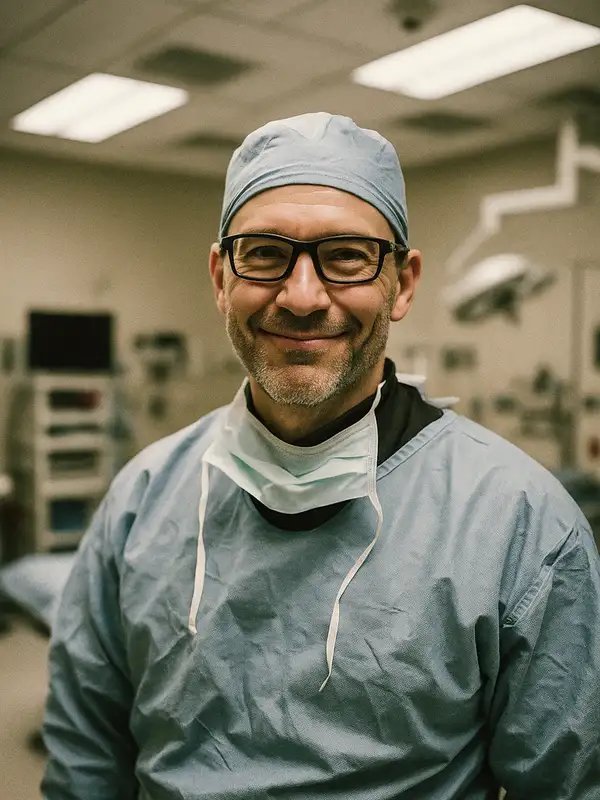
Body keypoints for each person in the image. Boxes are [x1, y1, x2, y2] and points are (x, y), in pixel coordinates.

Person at [42, 113, 600, 800]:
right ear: (221, 277)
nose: (302, 296)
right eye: (264, 254)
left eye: (346, 256)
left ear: (403, 281)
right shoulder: (142, 501)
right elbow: (85, 761)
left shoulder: (522, 525)